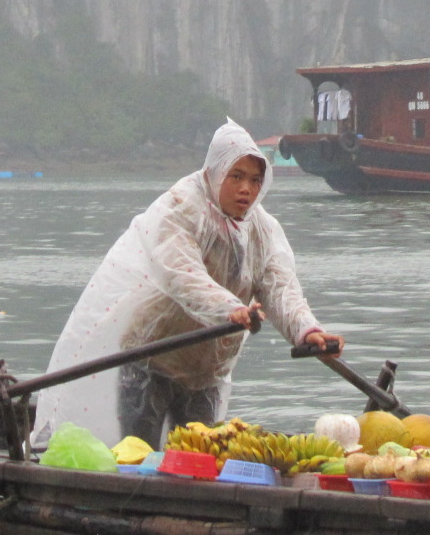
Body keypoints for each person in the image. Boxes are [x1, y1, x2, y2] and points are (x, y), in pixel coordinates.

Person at [33, 120, 344, 448]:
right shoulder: (180, 207)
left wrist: (307, 330)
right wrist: (229, 309)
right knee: (141, 455)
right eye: (236, 176)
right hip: (152, 359)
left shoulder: (263, 229)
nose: (246, 189)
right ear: (215, 172)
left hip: (205, 372)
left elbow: (280, 289)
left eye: (255, 180)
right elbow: (182, 275)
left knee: (199, 457)